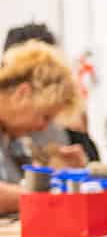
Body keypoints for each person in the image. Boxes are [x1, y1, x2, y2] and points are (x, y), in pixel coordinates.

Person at [0, 40, 84, 212]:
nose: (43, 127)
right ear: (22, 94)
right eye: (44, 117)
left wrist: (58, 172)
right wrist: (50, 194)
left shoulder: (11, 138)